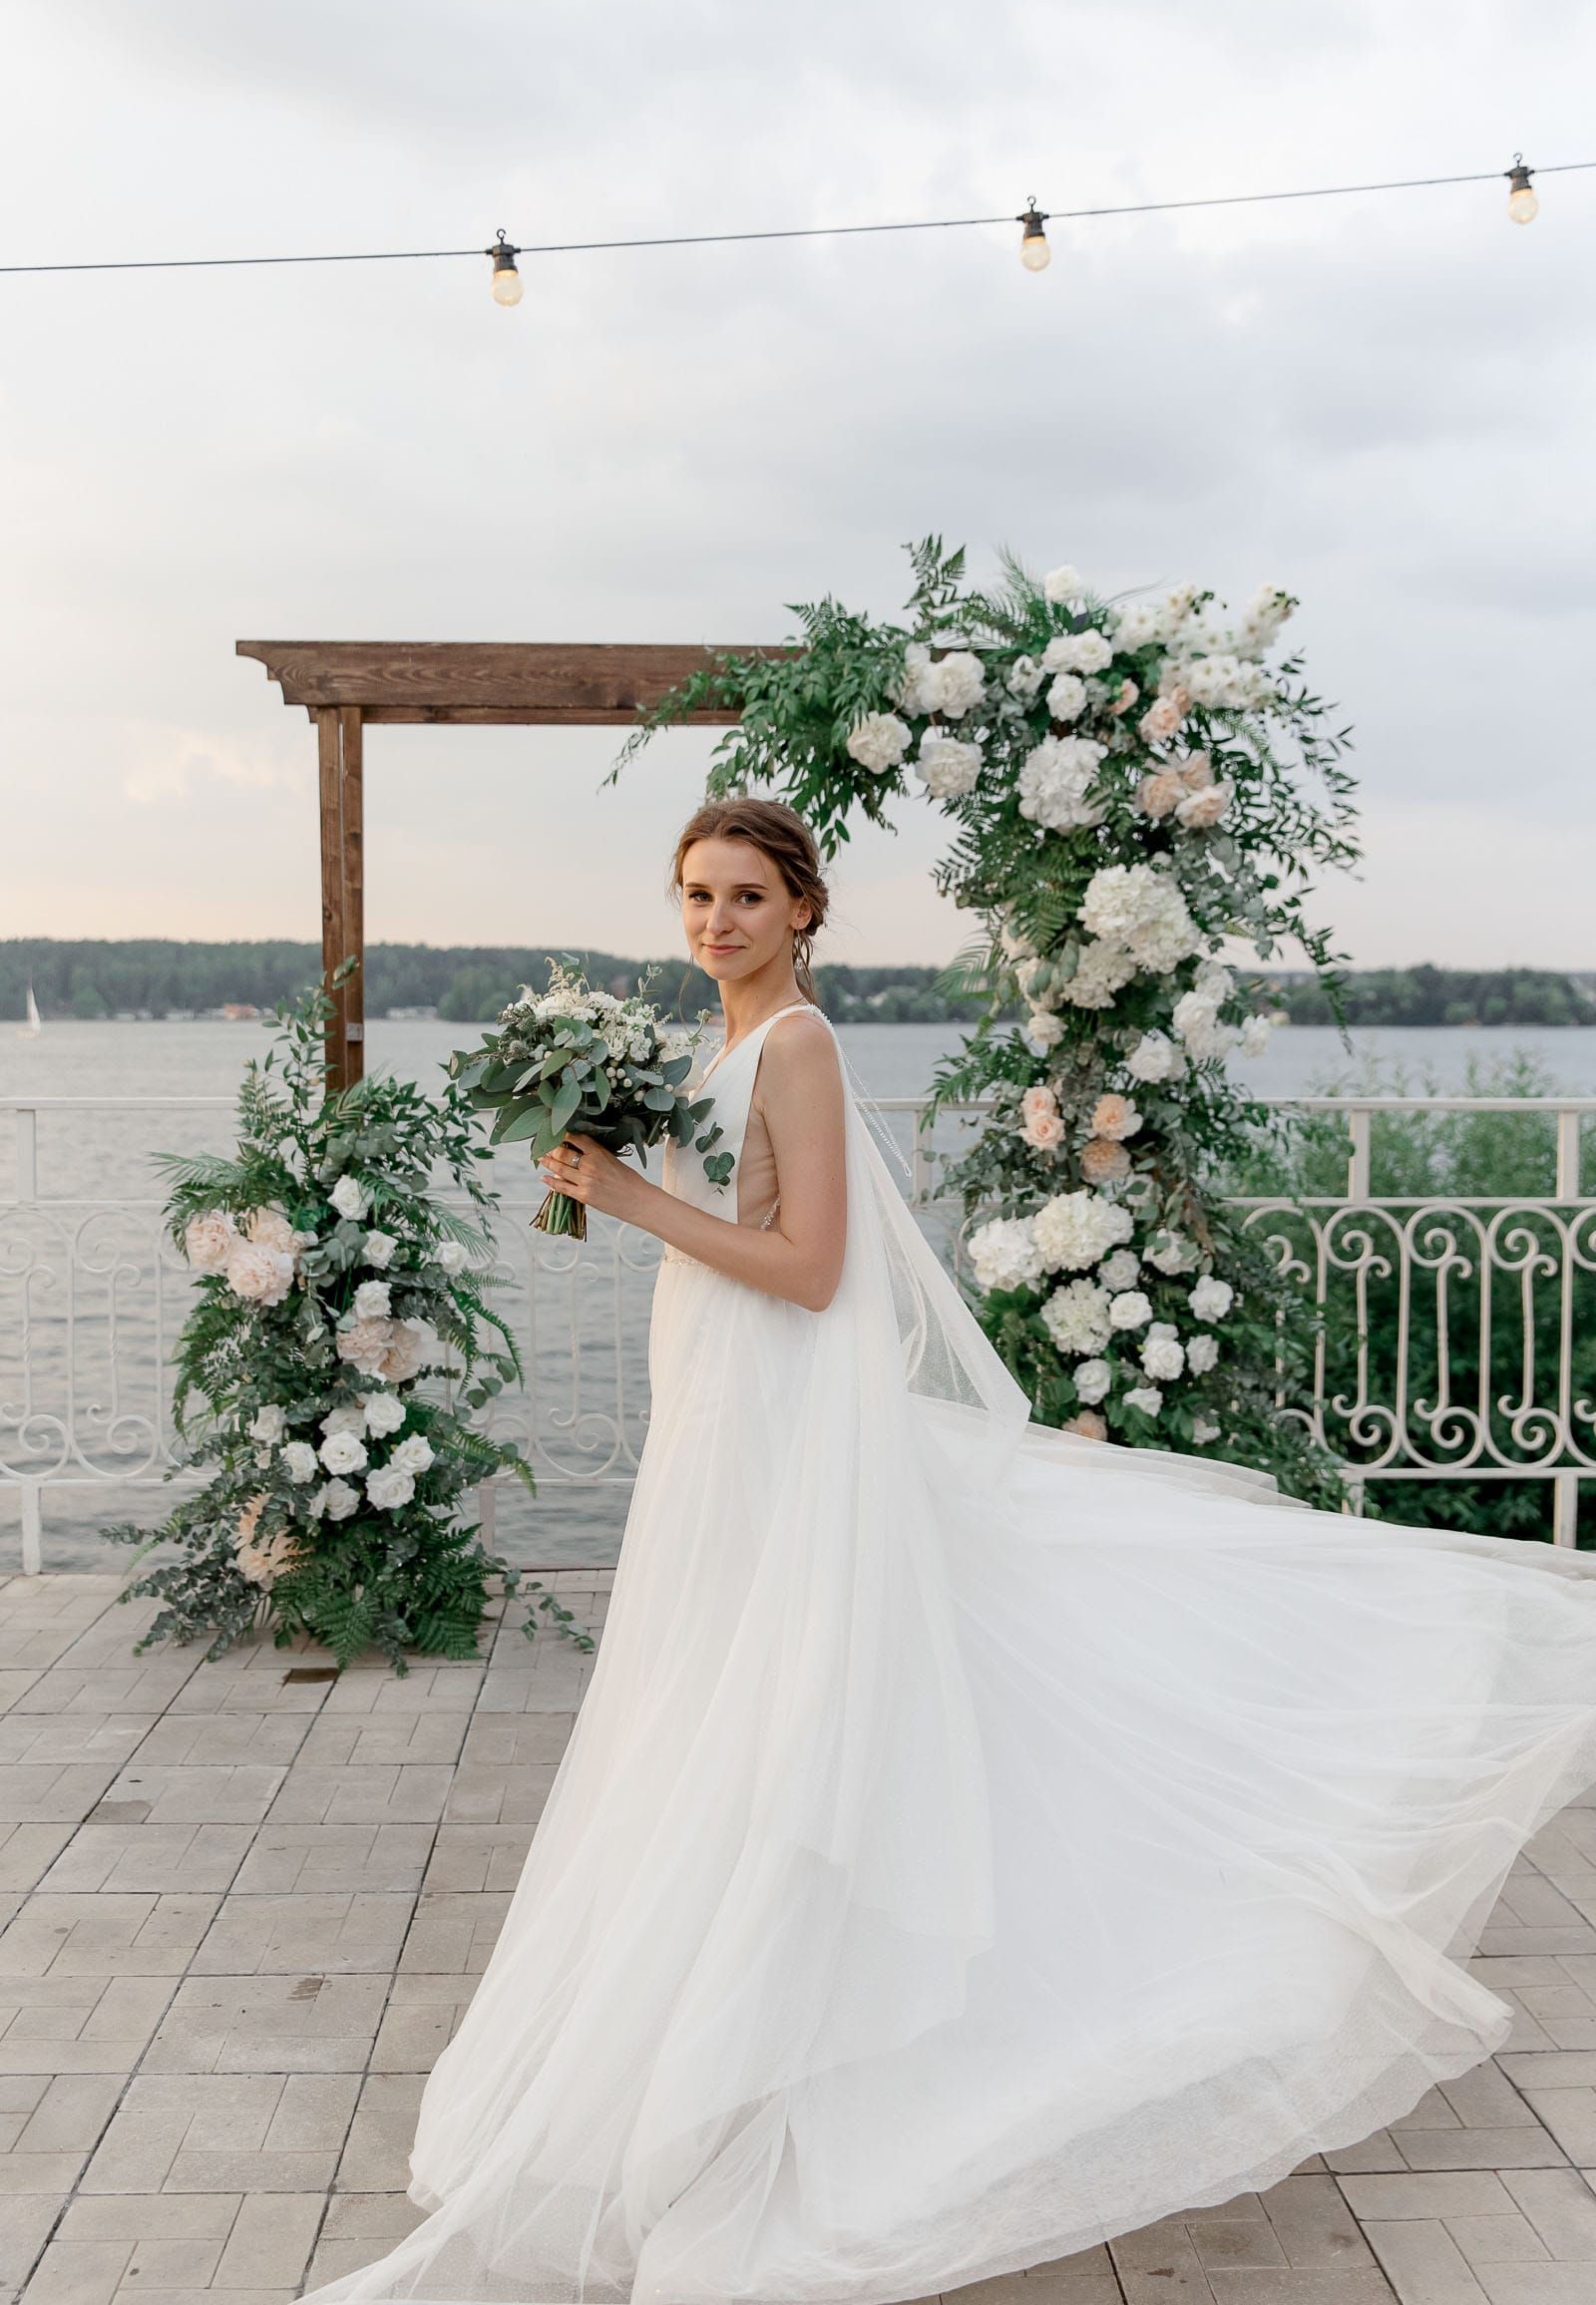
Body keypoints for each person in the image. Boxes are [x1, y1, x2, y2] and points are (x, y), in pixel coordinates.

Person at [299, 796, 1596, 2305]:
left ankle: (817, 2030)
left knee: (786, 1715)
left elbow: (812, 1266)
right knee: (722, 1711)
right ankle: (734, 2015)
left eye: (745, 896)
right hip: (723, 1413)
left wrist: (637, 1202)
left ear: (804, 911)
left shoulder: (798, 1044)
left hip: (782, 1421)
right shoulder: (718, 1044)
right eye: (696, 895)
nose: (715, 920)